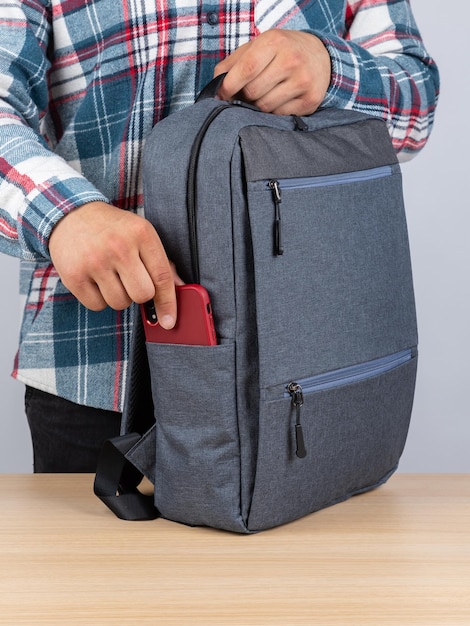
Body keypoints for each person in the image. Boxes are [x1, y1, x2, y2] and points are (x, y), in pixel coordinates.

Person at [0, 1, 439, 473]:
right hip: (98, 363)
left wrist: (333, 69)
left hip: (309, 366)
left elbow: (416, 109)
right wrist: (64, 215)